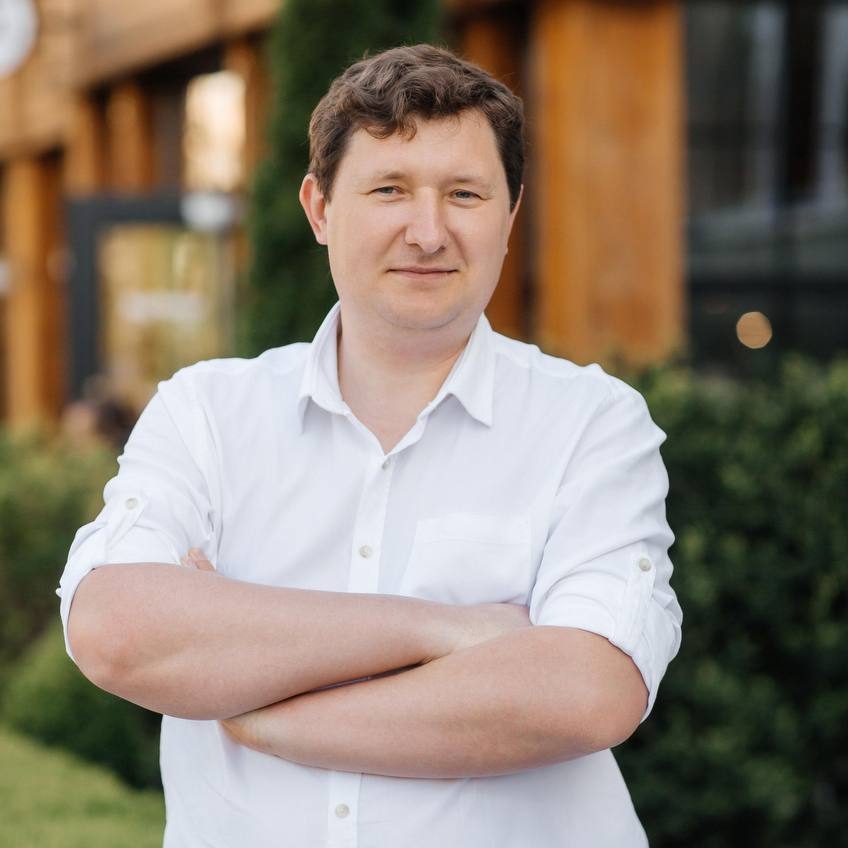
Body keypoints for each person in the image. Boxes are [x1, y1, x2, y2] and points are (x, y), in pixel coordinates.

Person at [58, 43, 682, 847]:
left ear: (510, 214)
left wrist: (257, 707)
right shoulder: (207, 412)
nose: (428, 232)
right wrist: (448, 631)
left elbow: (587, 692)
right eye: (390, 190)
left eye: (465, 194)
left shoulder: (590, 422)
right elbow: (115, 629)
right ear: (319, 209)